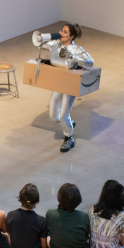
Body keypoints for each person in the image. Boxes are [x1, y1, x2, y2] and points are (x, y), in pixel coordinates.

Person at [36, 23, 94, 152]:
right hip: (58, 82)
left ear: (72, 36)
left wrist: (76, 58)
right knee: (53, 116)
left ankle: (69, 138)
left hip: (69, 84)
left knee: (63, 115)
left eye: (65, 32)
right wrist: (43, 38)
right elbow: (39, 43)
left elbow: (90, 62)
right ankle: (68, 123)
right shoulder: (56, 44)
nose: (62, 33)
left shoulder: (77, 49)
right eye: (61, 31)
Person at [6, 184, 48, 248]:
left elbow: (10, 241)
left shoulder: (11, 215)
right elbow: (43, 246)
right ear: (36, 201)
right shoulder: (41, 221)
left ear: (20, 198)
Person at [46, 183, 91, 248]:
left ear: (59, 197)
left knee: (48, 238)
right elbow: (87, 236)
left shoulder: (50, 214)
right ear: (78, 199)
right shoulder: (84, 216)